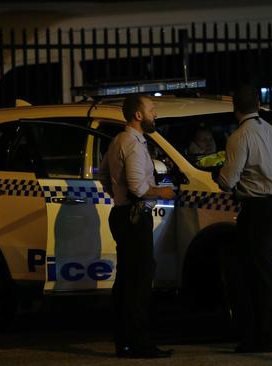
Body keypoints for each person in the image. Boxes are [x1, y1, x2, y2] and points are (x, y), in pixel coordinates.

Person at [99, 94, 176, 359]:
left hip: (123, 214)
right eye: (152, 109)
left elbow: (103, 175)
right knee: (139, 282)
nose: (155, 114)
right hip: (134, 216)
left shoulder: (118, 141)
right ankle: (139, 343)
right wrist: (162, 193)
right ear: (138, 115)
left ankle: (125, 341)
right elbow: (137, 187)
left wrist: (116, 196)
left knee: (126, 280)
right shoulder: (132, 143)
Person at [212, 84, 272, 353]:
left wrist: (217, 175)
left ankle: (260, 335)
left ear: (235, 109)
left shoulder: (239, 137)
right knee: (264, 269)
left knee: (253, 273)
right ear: (258, 104)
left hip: (255, 209)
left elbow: (228, 180)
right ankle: (270, 332)